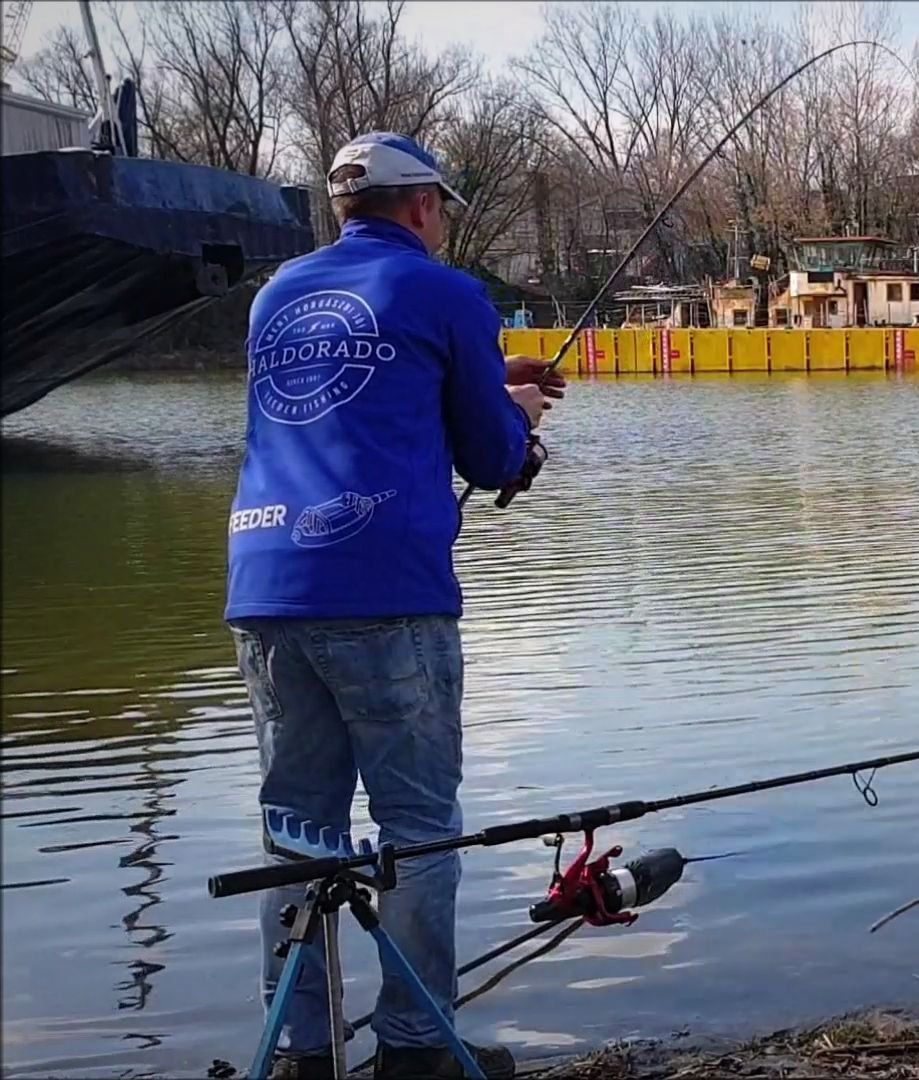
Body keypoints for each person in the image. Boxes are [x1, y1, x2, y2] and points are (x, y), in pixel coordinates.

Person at [225, 131, 565, 1080]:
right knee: (419, 826)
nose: (444, 221)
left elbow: (354, 401)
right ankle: (416, 1054)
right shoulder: (447, 291)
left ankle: (301, 1054)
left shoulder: (276, 295)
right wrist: (522, 423)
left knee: (296, 828)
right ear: (422, 207)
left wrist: (488, 394)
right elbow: (493, 459)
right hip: (383, 594)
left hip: (263, 586)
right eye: (444, 207)